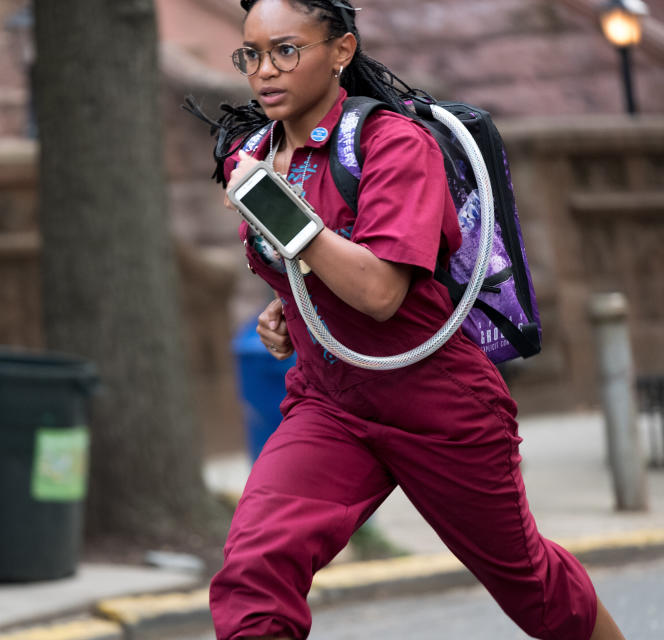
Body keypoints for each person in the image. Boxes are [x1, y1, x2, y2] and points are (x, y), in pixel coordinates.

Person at [202, 1, 627, 638]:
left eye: (286, 50)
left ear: (341, 51)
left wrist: (274, 208)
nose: (265, 71)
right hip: (330, 403)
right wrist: (286, 308)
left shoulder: (393, 142)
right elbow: (310, 268)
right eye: (251, 55)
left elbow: (379, 292)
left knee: (531, 588)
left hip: (436, 406)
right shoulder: (263, 149)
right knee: (254, 571)